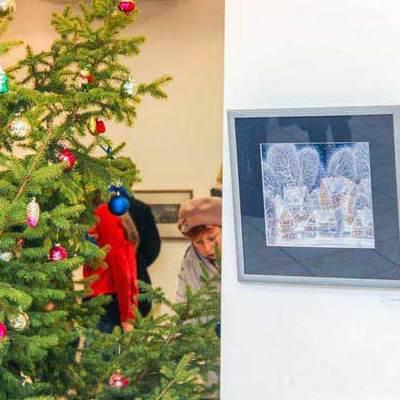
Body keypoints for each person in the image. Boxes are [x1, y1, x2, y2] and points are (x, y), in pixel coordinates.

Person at [83, 202, 139, 333]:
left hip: (106, 301)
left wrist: (127, 315)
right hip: (109, 299)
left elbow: (121, 268)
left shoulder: (105, 212)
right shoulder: (115, 213)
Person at [176, 197, 222, 302]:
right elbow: (183, 302)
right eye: (198, 242)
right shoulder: (189, 261)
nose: (207, 248)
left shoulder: (248, 255)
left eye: (212, 238)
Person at [128, 195, 161, 316]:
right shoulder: (140, 207)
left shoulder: (97, 207)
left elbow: (153, 245)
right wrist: (139, 263)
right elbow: (153, 245)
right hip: (137, 274)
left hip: (104, 279)